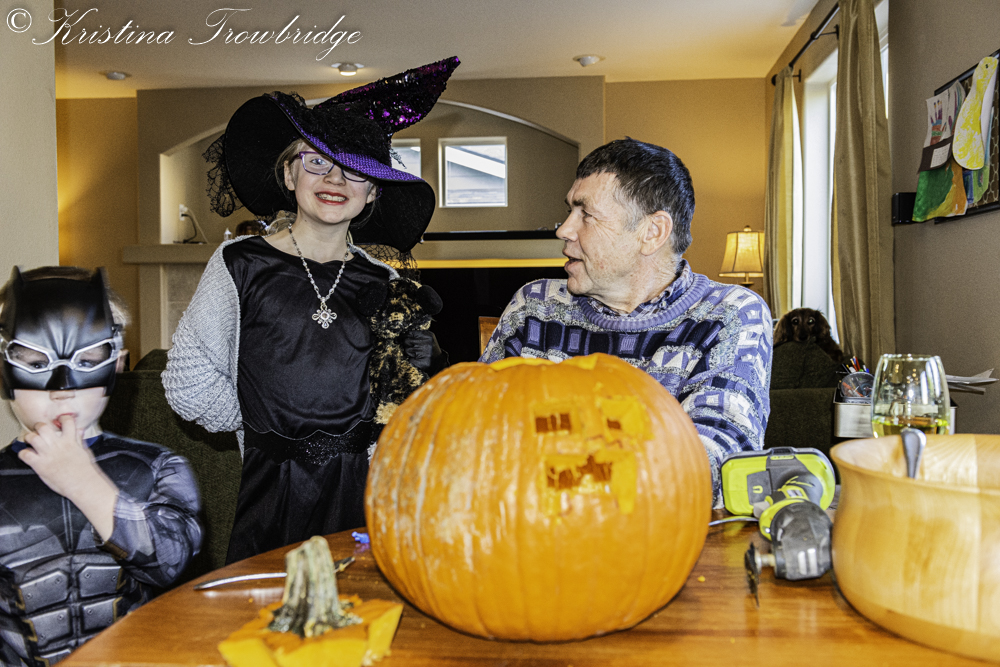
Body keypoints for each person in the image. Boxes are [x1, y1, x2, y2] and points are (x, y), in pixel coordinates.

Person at [162, 57, 458, 563]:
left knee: (357, 600)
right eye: (317, 161)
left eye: (355, 171)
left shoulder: (384, 283)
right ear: (288, 171)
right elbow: (187, 383)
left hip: (359, 489)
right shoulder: (240, 263)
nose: (335, 179)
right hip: (268, 489)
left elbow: (397, 398)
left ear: (372, 193)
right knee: (266, 600)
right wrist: (263, 430)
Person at [480, 139, 772, 505]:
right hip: (523, 525)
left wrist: (563, 471)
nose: (564, 230)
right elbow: (477, 428)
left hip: (659, 534)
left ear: (652, 232)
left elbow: (713, 462)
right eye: (569, 211)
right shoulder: (534, 306)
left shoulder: (728, 313)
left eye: (586, 214)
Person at [0, 266, 202, 666]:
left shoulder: (159, 470)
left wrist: (85, 484)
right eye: (35, 363)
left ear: (118, 363)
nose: (62, 390)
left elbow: (170, 564)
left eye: (88, 360)